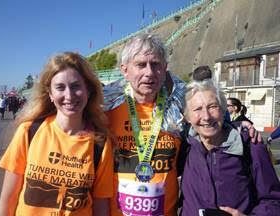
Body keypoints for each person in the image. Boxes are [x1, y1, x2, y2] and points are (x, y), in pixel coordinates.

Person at [103, 34, 259, 216]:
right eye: (140, 65)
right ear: (125, 70)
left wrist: (237, 126)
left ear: (165, 68)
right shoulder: (106, 111)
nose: (149, 73)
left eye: (155, 65)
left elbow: (207, 123)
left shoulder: (179, 108)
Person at [0, 52, 113, 216]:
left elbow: (101, 206)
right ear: (50, 94)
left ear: (88, 90)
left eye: (75, 86)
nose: (69, 95)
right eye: (60, 87)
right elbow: (7, 201)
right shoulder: (29, 131)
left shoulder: (100, 143)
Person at [180, 79, 280, 216]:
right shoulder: (184, 147)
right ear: (187, 117)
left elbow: (273, 201)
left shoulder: (250, 146)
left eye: (212, 107)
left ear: (223, 110)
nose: (206, 116)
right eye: (197, 109)